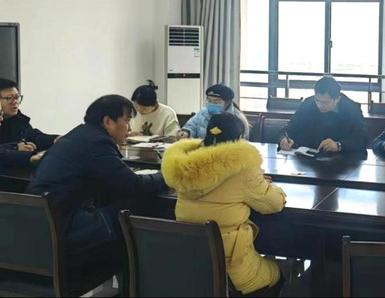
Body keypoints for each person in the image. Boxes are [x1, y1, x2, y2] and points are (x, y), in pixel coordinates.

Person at [28, 95, 167, 268]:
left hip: (40, 224)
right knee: (140, 203)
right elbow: (134, 184)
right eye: (127, 121)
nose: (130, 128)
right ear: (108, 121)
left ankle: (131, 273)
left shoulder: (78, 135)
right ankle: (141, 273)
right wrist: (167, 176)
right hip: (66, 227)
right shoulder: (97, 143)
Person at [162, 113, 286, 297]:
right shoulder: (244, 166)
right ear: (240, 138)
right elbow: (273, 204)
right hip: (231, 275)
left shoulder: (185, 166)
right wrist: (269, 186)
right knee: (278, 272)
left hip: (191, 267)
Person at [278, 76, 368, 159]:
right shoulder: (307, 104)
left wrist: (339, 145)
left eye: (325, 102)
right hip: (309, 160)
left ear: (337, 99)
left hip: (341, 160)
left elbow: (362, 138)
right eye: (317, 100)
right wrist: (283, 139)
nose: (319, 105)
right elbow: (288, 129)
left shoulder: (352, 109)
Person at [0, 78, 59, 161]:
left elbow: (33, 136)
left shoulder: (17, 119)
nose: (15, 102)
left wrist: (54, 139)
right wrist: (16, 148)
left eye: (17, 97)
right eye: (9, 98)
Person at [177, 84, 248, 140]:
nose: (212, 104)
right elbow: (191, 126)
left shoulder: (237, 118)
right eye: (209, 101)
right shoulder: (203, 113)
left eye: (216, 102)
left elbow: (242, 141)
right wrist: (187, 132)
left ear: (227, 103)